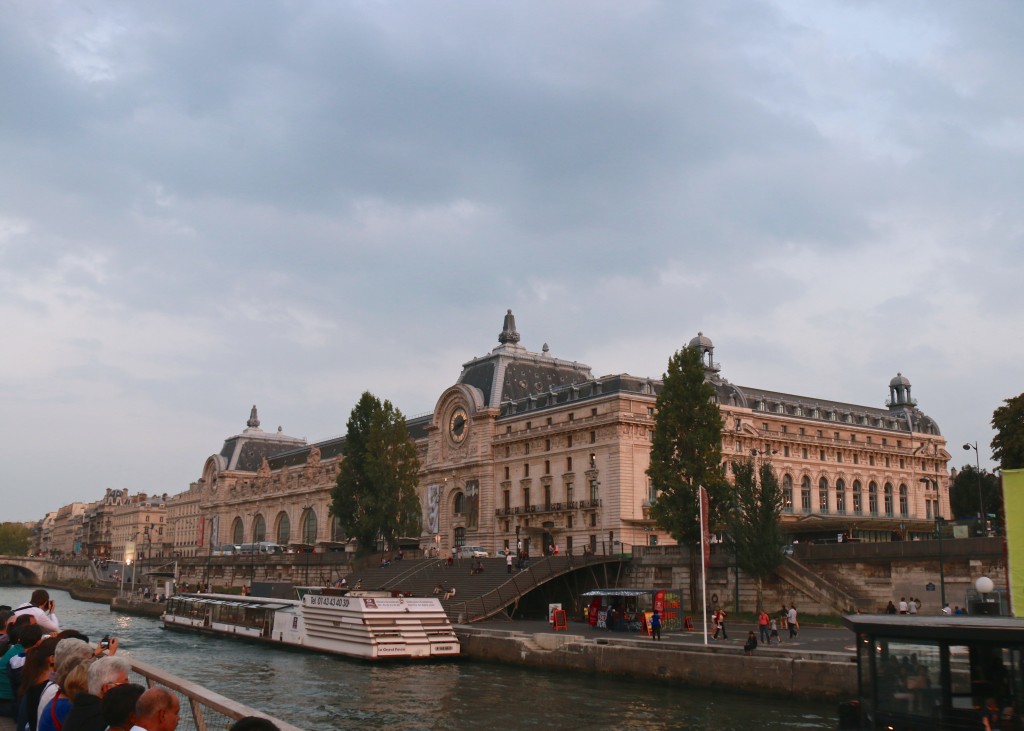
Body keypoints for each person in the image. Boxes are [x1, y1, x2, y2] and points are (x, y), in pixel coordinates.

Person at [62, 655, 132, 731]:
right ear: (107, 688)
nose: (130, 688)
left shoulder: (79, 711)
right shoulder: (105, 722)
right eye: (125, 684)